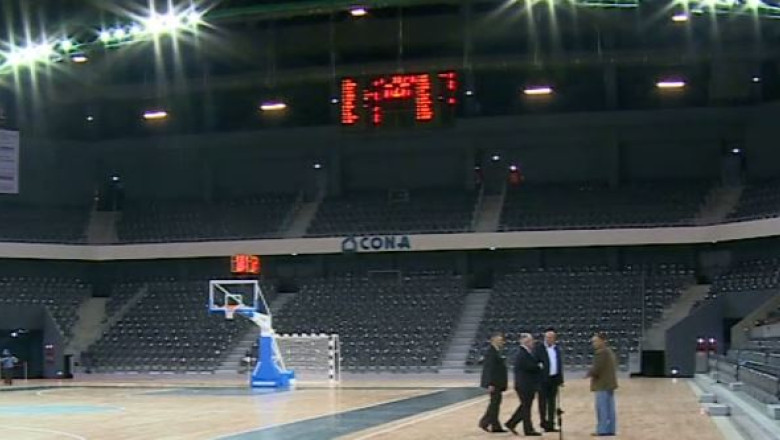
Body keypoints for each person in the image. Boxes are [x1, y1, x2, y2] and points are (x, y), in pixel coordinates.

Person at [506, 333, 543, 436]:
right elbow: (529, 367)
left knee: (525, 406)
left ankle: (511, 423)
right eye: (531, 341)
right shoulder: (521, 353)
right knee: (526, 408)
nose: (533, 343)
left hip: (526, 384)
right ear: (526, 342)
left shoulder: (525, 352)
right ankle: (528, 429)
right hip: (524, 385)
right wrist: (539, 366)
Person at [586, 332, 618, 437]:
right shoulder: (610, 352)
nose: (593, 344)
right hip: (610, 384)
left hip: (602, 384)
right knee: (610, 408)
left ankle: (602, 429)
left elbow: (596, 369)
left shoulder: (601, 353)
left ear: (602, 341)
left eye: (595, 341)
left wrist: (588, 374)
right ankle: (611, 428)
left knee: (602, 408)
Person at [535, 328, 564, 433]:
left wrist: (560, 379)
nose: (549, 339)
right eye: (547, 337)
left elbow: (559, 364)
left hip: (553, 379)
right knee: (542, 403)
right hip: (542, 380)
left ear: (554, 338)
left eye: (551, 337)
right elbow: (535, 363)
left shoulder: (557, 349)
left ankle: (551, 424)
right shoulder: (539, 348)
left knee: (552, 403)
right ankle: (543, 422)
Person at [479, 332, 508, 433]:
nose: (502, 342)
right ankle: (485, 422)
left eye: (502, 340)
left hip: (498, 382)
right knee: (494, 403)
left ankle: (494, 425)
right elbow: (489, 369)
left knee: (495, 403)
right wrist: (490, 383)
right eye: (499, 340)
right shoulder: (491, 352)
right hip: (494, 383)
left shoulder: (497, 351)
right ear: (493, 340)